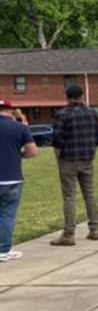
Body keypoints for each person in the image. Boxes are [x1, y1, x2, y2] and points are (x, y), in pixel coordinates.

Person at [50, 85, 98, 246]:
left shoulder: (62, 114)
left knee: (69, 196)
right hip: (87, 159)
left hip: (68, 159)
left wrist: (58, 158)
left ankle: (69, 233)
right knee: (90, 193)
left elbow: (57, 140)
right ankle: (94, 229)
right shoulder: (92, 113)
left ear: (66, 96)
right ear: (82, 96)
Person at [0, 100, 38, 263]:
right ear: (11, 110)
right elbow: (32, 151)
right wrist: (18, 155)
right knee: (7, 214)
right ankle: (3, 249)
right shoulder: (20, 128)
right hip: (11, 177)